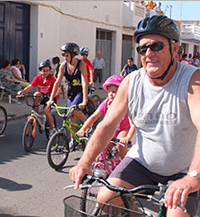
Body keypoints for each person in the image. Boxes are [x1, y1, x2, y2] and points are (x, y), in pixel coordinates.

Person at [69, 15, 200, 217]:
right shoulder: (131, 82)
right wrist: (84, 163)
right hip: (142, 163)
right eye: (142, 48)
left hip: (182, 170)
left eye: (156, 46)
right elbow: (107, 125)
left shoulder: (192, 80)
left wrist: (193, 176)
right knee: (106, 198)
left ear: (175, 49)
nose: (148, 53)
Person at [76, 75, 135, 159]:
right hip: (110, 130)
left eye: (114, 92)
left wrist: (127, 137)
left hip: (123, 130)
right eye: (109, 92)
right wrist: (83, 129)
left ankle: (124, 166)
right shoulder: (106, 103)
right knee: (98, 155)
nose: (111, 94)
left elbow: (133, 124)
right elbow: (93, 117)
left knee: (120, 146)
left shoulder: (126, 105)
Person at [47, 42, 89, 131]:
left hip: (80, 92)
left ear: (73, 55)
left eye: (67, 55)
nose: (65, 58)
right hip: (71, 92)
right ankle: (73, 141)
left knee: (73, 110)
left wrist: (84, 101)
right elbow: (57, 82)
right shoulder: (63, 65)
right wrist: (51, 99)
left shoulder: (81, 64)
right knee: (70, 118)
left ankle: (88, 123)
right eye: (63, 55)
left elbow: (85, 82)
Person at [17, 60, 57, 136]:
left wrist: (52, 97)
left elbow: (57, 89)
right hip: (42, 97)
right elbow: (30, 87)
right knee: (36, 94)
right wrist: (22, 92)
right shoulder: (38, 78)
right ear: (40, 71)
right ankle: (36, 114)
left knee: (46, 111)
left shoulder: (52, 79)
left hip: (50, 97)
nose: (45, 73)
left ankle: (52, 128)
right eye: (44, 71)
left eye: (47, 71)